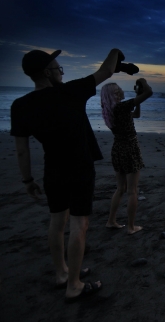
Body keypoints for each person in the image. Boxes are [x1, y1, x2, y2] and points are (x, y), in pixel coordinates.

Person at [11, 48, 126, 302]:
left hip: (52, 169)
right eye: (57, 68)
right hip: (79, 167)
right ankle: (74, 285)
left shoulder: (20, 105)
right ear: (46, 72)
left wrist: (27, 180)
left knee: (57, 221)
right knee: (79, 224)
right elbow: (106, 70)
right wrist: (114, 51)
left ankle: (62, 272)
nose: (60, 72)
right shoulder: (71, 91)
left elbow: (22, 150)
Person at [100, 79, 153, 235]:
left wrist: (137, 98)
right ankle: (131, 227)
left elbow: (135, 114)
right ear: (115, 95)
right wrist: (142, 82)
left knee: (120, 188)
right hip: (129, 148)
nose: (122, 91)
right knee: (132, 191)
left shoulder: (111, 110)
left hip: (118, 148)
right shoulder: (122, 107)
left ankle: (111, 221)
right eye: (118, 90)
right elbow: (149, 92)